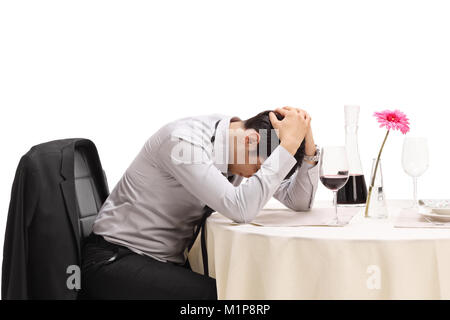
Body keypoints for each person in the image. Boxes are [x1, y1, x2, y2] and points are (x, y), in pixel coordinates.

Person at [81, 106, 319, 299]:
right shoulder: (184, 142)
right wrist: (286, 147)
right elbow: (241, 208)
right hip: (113, 261)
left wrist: (309, 150)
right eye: (259, 168)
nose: (255, 176)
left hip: (160, 262)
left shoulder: (237, 144)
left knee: (252, 286)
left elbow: (297, 201)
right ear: (251, 139)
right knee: (225, 298)